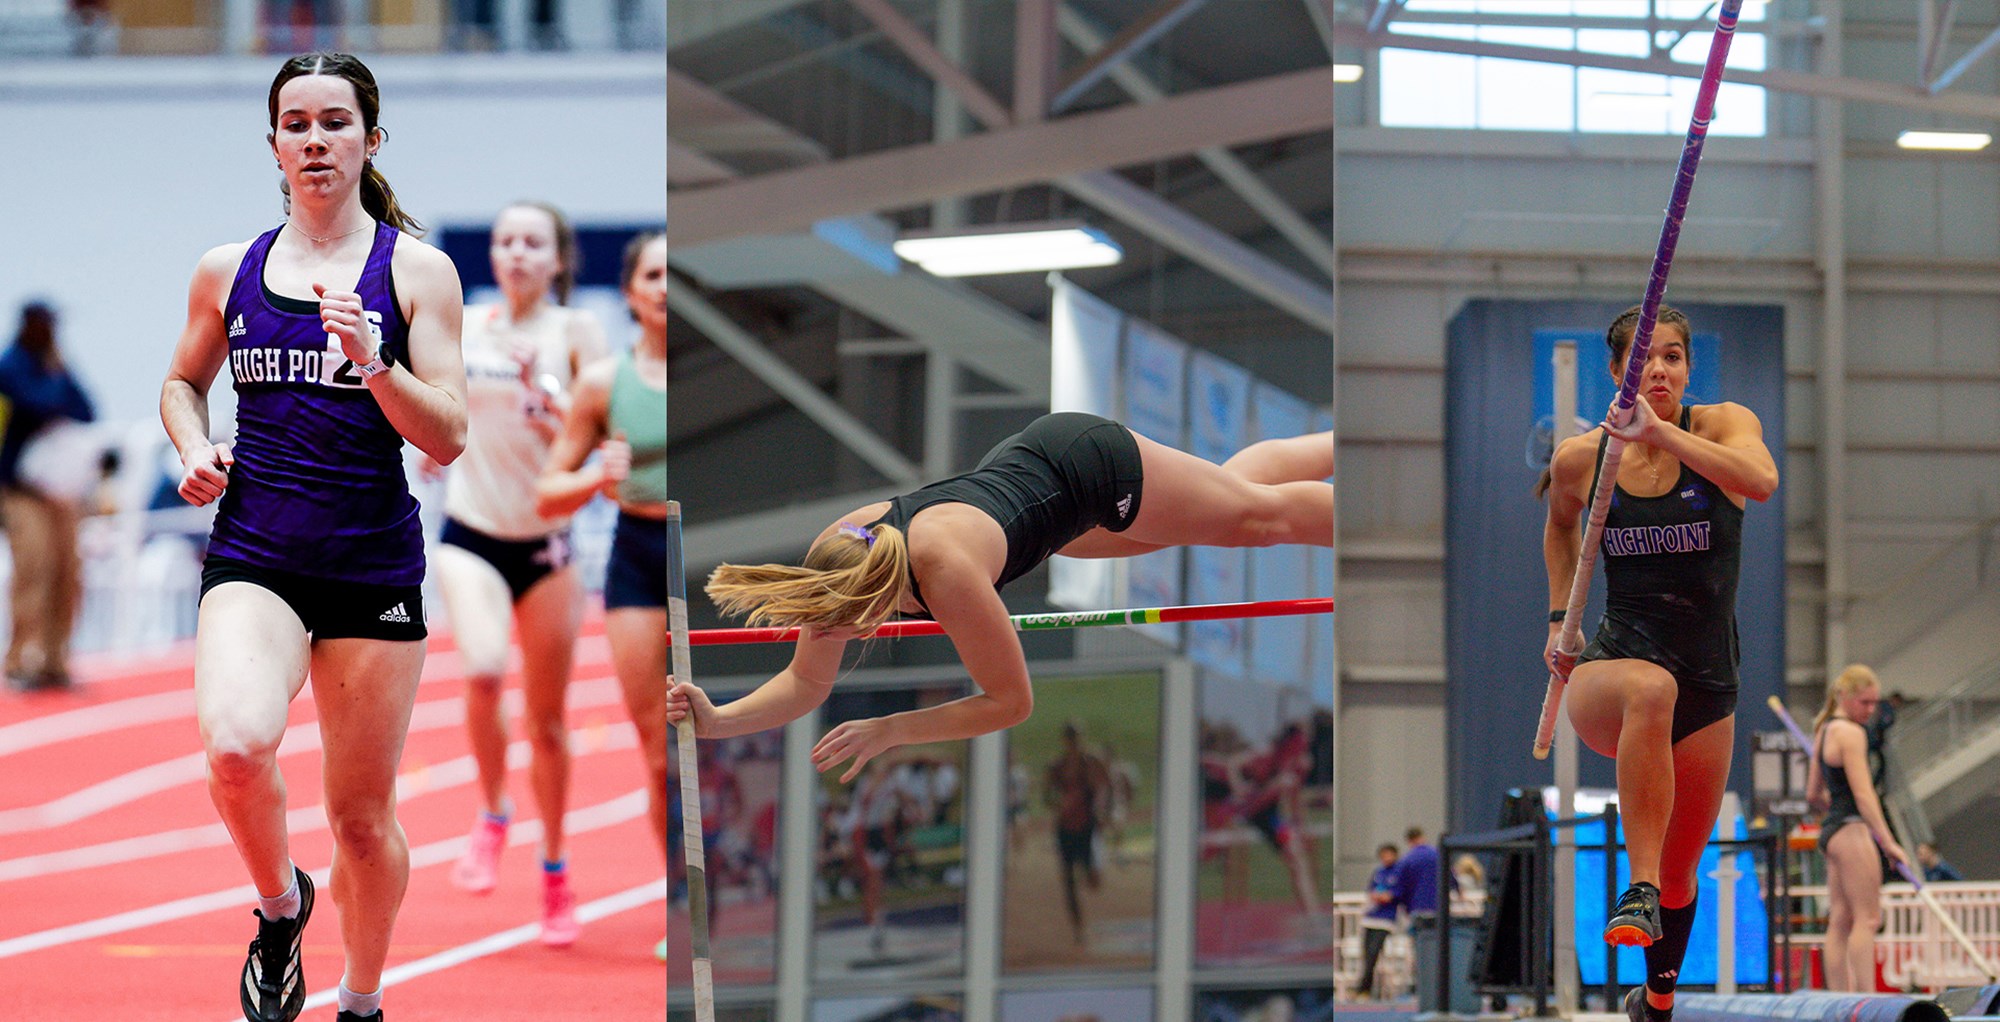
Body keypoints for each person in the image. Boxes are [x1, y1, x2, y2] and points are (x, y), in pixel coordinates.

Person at [159, 52, 467, 1022]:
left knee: (362, 822)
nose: (316, 140)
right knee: (238, 746)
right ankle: (280, 906)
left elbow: (448, 433)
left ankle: (362, 996)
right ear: (275, 146)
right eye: (297, 124)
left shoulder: (415, 270)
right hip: (255, 554)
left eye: (335, 122)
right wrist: (191, 441)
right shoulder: (229, 267)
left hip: (372, 565)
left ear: (370, 140)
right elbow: (180, 382)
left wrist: (374, 362)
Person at [668, 413, 1333, 778]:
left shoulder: (947, 576)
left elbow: (1012, 703)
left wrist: (892, 729)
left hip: (1085, 468)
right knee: (1228, 501)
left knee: (1257, 522)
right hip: (1046, 511)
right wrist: (717, 719)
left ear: (873, 599)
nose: (850, 641)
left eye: (851, 630)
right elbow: (805, 683)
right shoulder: (840, 562)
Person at [1540, 304, 1779, 1022]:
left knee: (1684, 879)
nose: (1659, 369)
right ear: (1616, 373)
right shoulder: (1584, 457)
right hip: (1613, 669)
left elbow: (1760, 481)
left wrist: (1661, 432)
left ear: (1687, 367)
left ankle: (1659, 998)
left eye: (1672, 356)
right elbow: (1558, 525)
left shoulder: (1721, 426)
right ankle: (1633, 885)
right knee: (1650, 689)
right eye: (1644, 359)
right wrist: (1561, 619)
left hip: (1709, 682)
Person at [434, 201, 606, 948]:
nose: (517, 253)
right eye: (506, 241)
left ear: (558, 260)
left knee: (549, 724)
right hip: (470, 530)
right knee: (478, 671)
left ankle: (556, 869)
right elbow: (433, 405)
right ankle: (495, 811)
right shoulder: (466, 322)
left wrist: (548, 405)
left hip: (548, 546)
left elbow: (598, 434)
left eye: (533, 243)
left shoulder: (576, 334)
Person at [535, 228, 668, 959]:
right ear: (630, 291)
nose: (667, 287)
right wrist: (597, 476)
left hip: (713, 565)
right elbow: (549, 492)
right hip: (639, 559)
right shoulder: (603, 383)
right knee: (658, 755)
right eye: (654, 274)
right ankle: (680, 899)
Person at [0, 301, 97, 691]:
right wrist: (56, 382)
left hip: (59, 492)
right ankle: (22, 657)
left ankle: (56, 660)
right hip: (21, 490)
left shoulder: (55, 364)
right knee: (34, 569)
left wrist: (58, 375)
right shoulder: (10, 365)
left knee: (66, 572)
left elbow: (86, 408)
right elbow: (36, 401)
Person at [1806, 665, 1910, 992]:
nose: (1871, 710)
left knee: (1840, 921)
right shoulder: (1851, 733)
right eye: (1865, 702)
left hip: (1833, 831)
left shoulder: (1824, 729)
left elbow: (1812, 794)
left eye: (1874, 703)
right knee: (1868, 919)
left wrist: (1836, 811)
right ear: (1846, 697)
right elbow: (1865, 796)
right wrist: (1889, 842)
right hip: (1851, 828)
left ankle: (1839, 1001)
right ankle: (1866, 1001)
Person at [1045, 719, 1110, 945]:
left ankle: (1092, 870)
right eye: (1071, 739)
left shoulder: (1090, 763)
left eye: (1076, 738)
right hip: (1065, 828)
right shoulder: (1057, 766)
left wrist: (1101, 811)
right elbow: (1047, 796)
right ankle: (1078, 928)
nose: (1074, 743)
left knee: (1092, 880)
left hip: (1086, 827)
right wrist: (1059, 804)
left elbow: (1104, 787)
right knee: (1069, 882)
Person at [1355, 843, 1400, 1000]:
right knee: (1366, 955)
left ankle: (1364, 989)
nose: (1386, 858)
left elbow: (1392, 895)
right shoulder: (1378, 872)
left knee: (1373, 953)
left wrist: (1384, 896)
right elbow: (1371, 892)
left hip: (1385, 920)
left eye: (1389, 855)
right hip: (1371, 918)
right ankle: (1364, 988)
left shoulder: (1399, 873)